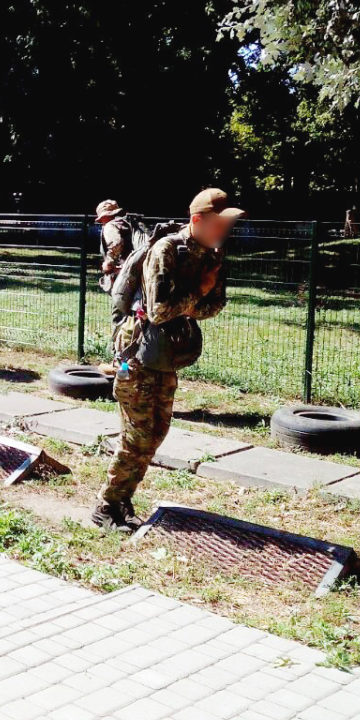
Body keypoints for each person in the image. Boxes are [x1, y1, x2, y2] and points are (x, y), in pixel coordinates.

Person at [93, 188, 245, 533]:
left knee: (156, 432)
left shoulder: (212, 255)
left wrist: (198, 297)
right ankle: (106, 505)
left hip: (165, 354)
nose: (225, 231)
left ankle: (121, 498)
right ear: (198, 220)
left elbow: (214, 307)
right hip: (139, 353)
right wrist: (200, 293)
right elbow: (160, 310)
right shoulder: (166, 251)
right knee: (138, 436)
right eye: (220, 223)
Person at [95, 199, 132, 292]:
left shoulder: (110, 226)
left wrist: (109, 262)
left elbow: (116, 244)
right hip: (137, 268)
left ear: (105, 216)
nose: (101, 222)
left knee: (119, 302)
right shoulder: (127, 224)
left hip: (125, 272)